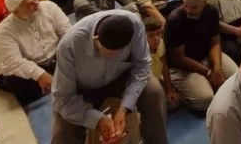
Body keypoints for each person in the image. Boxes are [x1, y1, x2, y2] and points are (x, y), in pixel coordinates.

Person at [51, 11, 168, 144]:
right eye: (108, 53)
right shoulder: (69, 45)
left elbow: (142, 66)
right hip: (83, 88)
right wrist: (96, 119)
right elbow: (63, 98)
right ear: (96, 39)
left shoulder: (135, 26)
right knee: (62, 134)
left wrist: (125, 107)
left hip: (120, 76)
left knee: (154, 92)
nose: (114, 56)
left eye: (119, 53)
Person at [166, 0, 239, 112]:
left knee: (237, 80)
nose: (188, 10)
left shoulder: (212, 12)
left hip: (205, 55)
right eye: (185, 6)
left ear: (205, 4)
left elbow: (215, 43)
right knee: (205, 100)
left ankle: (204, 82)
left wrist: (216, 69)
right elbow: (179, 59)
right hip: (182, 66)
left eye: (193, 7)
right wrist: (209, 72)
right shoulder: (175, 20)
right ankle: (179, 89)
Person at [0, 0, 70, 105]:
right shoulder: (4, 31)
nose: (36, 4)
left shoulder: (49, 7)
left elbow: (67, 32)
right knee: (15, 82)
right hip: (32, 65)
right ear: (16, 12)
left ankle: (53, 82)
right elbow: (13, 61)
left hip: (57, 57)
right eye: (30, 4)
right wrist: (39, 74)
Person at [143, 17, 182, 111]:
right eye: (151, 36)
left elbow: (164, 65)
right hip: (146, 85)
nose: (156, 38)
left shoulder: (160, 43)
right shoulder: (142, 51)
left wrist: (169, 90)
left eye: (159, 33)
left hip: (159, 79)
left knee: (174, 102)